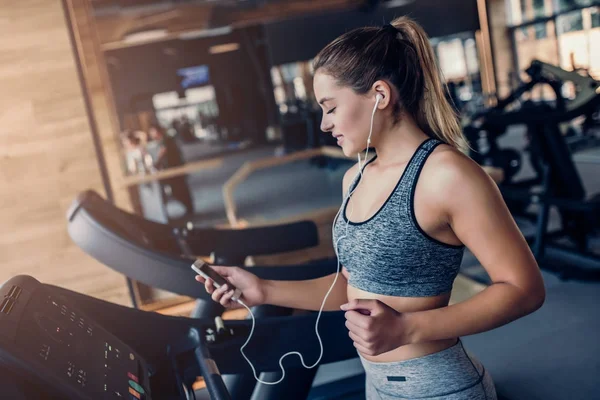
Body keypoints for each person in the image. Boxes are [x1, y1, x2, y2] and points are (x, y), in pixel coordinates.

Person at [195, 17, 545, 399]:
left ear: (379, 95)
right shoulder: (356, 177)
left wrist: (406, 329)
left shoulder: (448, 176)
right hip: (376, 385)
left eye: (330, 108)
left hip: (438, 387)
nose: (325, 124)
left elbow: (524, 289)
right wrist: (262, 289)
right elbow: (353, 286)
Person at [148, 124, 194, 215]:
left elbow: (163, 153)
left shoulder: (166, 140)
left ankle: (189, 208)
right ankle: (188, 208)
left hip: (175, 168)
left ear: (158, 132)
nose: (152, 135)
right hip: (171, 168)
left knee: (179, 189)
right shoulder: (163, 140)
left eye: (152, 132)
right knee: (178, 189)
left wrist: (156, 164)